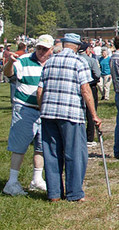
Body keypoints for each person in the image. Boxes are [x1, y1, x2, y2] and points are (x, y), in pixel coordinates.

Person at [37, 33, 101, 202]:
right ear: (78, 46)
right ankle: (74, 193)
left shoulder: (49, 62)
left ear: (64, 44)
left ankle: (54, 194)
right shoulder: (79, 62)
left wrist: (42, 109)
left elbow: (40, 90)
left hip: (48, 113)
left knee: (51, 154)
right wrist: (94, 115)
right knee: (75, 154)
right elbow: (86, 90)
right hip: (71, 114)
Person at [2, 34, 54, 196]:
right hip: (25, 108)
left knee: (41, 146)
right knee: (19, 146)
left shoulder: (53, 63)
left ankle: (37, 179)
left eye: (45, 49)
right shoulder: (24, 60)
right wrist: (10, 62)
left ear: (51, 50)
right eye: (39, 48)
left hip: (44, 111)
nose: (41, 51)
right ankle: (12, 182)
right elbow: (8, 74)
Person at [78, 42, 102, 146]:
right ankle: (90, 137)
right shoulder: (91, 60)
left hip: (77, 88)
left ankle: (79, 135)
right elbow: (97, 74)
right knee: (91, 112)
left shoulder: (75, 59)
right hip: (90, 87)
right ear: (87, 50)